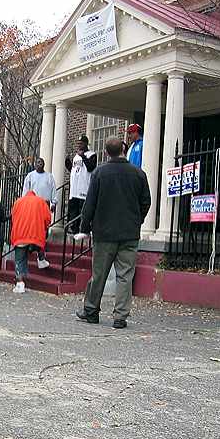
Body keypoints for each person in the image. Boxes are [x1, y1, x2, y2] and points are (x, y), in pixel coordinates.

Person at [75, 138, 151, 329]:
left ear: (107, 153)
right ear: (124, 150)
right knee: (125, 276)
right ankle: (120, 317)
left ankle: (91, 311)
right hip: (129, 233)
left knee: (99, 274)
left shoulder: (100, 172)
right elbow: (146, 202)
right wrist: (138, 220)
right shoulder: (138, 174)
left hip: (104, 232)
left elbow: (89, 203)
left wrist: (84, 227)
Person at [10, 191, 52, 293]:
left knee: (19, 259)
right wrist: (45, 226)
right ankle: (41, 258)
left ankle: (20, 282)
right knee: (39, 243)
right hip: (35, 233)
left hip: (20, 234)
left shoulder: (18, 202)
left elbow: (13, 217)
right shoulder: (41, 201)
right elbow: (47, 218)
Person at [65, 135, 97, 234]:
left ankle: (83, 229)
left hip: (84, 188)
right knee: (73, 210)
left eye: (81, 143)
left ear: (86, 144)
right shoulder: (76, 156)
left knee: (82, 210)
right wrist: (67, 163)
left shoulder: (92, 155)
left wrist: (83, 156)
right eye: (78, 143)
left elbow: (91, 168)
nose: (79, 145)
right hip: (75, 189)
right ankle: (73, 228)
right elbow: (73, 170)